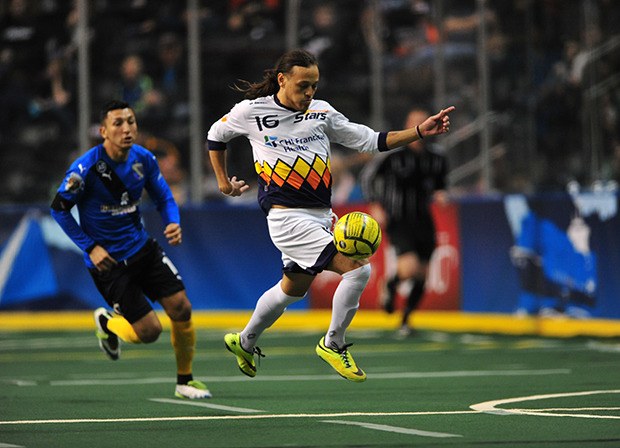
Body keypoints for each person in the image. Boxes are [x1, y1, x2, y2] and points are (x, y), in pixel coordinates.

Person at [206, 49, 454, 382]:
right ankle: (333, 343)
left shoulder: (321, 112)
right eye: (303, 85)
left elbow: (369, 141)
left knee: (292, 289)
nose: (309, 93)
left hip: (322, 216)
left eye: (314, 86)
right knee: (357, 271)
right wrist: (223, 182)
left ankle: (245, 341)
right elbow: (215, 135)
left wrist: (419, 132)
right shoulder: (251, 111)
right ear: (282, 80)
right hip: (287, 218)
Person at [50, 100, 211, 399]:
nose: (127, 129)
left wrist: (172, 222)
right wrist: (91, 247)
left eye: (131, 121)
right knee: (149, 332)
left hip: (143, 248)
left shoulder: (144, 159)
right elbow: (59, 210)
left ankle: (185, 381)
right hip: (109, 263)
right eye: (118, 123)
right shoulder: (84, 170)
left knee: (182, 308)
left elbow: (163, 197)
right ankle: (109, 324)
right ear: (103, 131)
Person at [361, 108, 449, 338]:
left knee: (422, 274)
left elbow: (440, 183)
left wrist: (441, 194)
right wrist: (375, 204)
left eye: (424, 122)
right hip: (399, 219)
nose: (421, 127)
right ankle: (390, 285)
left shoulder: (437, 157)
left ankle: (406, 318)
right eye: (415, 123)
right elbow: (369, 177)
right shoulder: (393, 155)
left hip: (423, 219)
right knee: (409, 268)